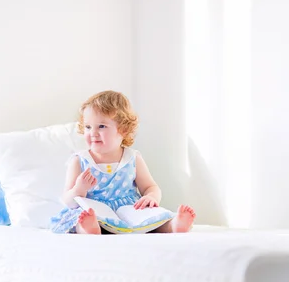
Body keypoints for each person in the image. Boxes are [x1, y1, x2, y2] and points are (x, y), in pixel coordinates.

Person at [50, 90, 195, 235]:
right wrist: (78, 189)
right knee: (82, 218)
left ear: (123, 129)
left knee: (152, 218)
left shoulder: (133, 158)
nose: (93, 133)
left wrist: (151, 197)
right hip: (95, 212)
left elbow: (150, 186)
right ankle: (90, 228)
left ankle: (173, 226)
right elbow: (68, 200)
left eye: (101, 126)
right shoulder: (79, 161)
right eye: (88, 127)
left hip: (129, 211)